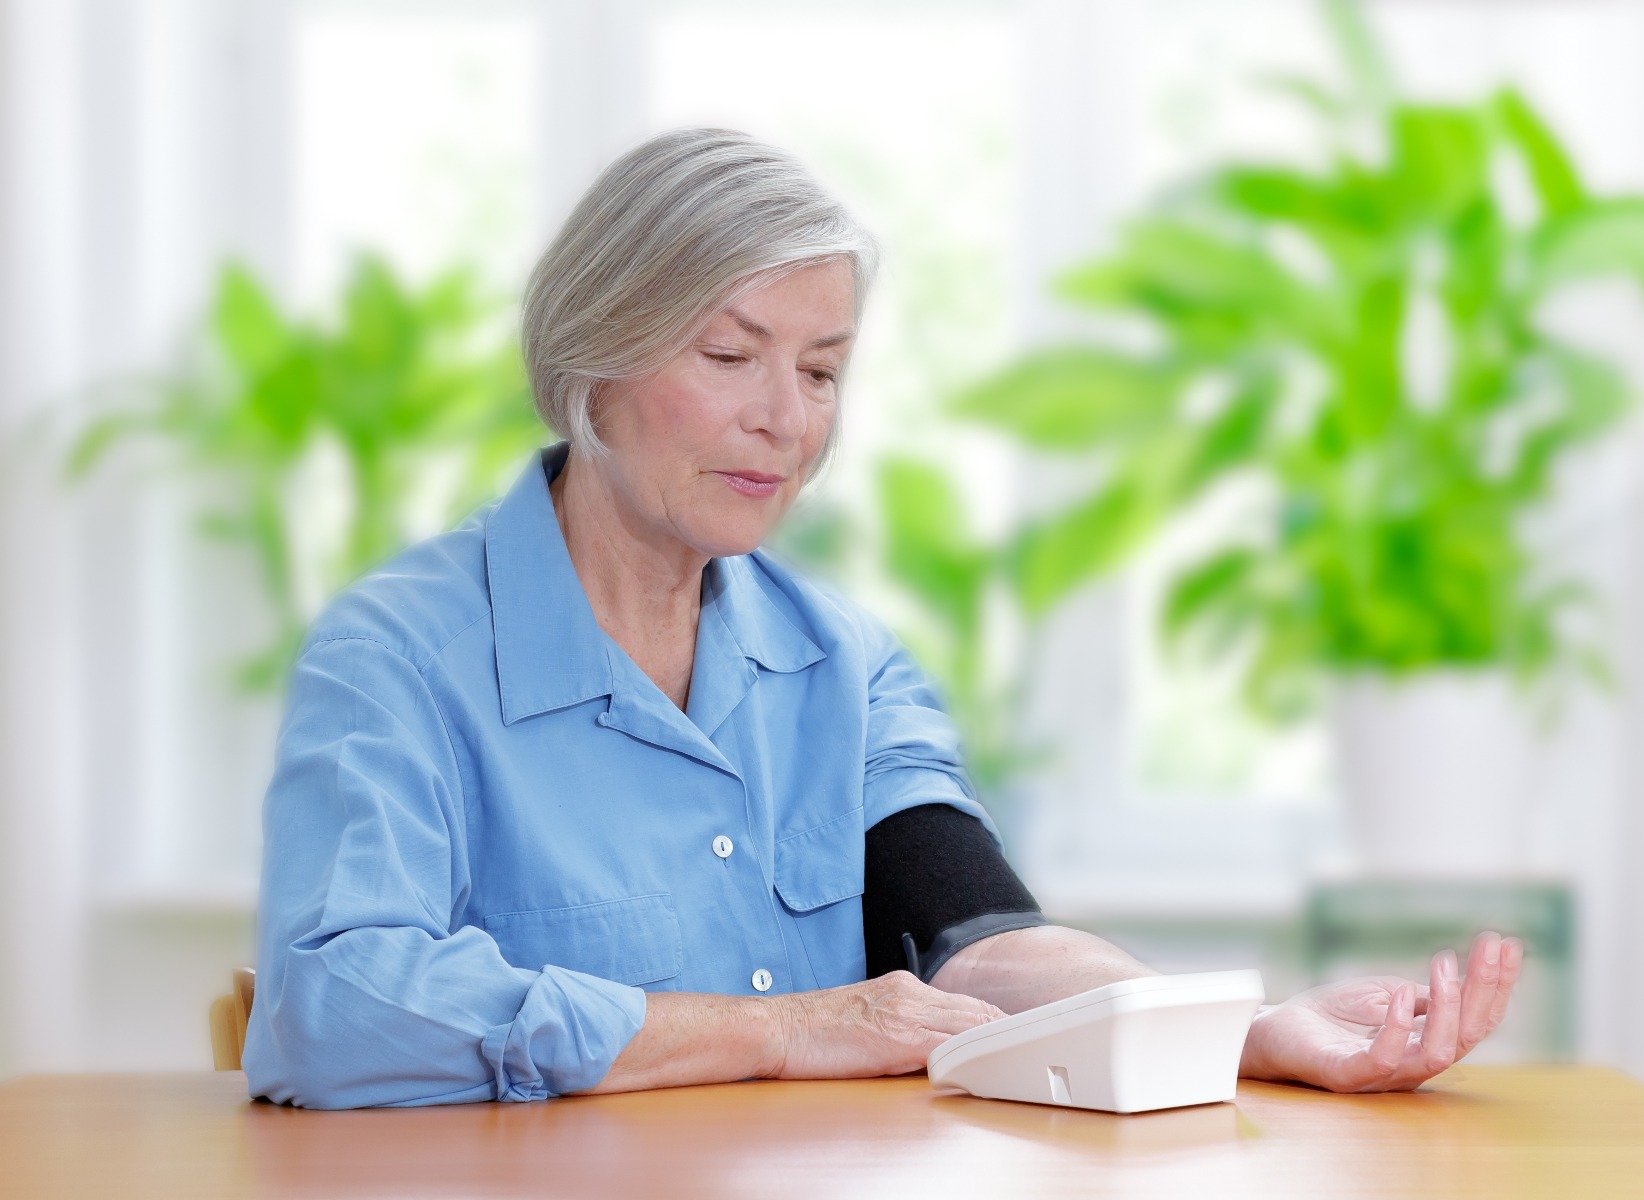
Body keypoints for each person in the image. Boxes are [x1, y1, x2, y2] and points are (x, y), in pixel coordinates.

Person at [243, 128, 1523, 1109]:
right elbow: (331, 1008)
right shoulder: (397, 657)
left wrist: (1237, 1028)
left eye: (819, 370)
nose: (785, 420)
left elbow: (975, 944)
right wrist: (781, 1030)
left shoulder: (842, 663)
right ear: (590, 358)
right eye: (730, 356)